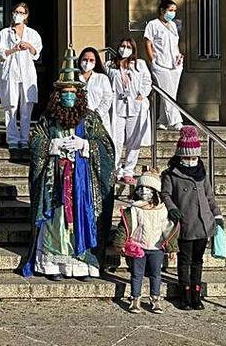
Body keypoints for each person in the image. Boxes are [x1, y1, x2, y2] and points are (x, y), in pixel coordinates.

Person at [23, 48, 115, 281]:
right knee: (57, 222)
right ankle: (53, 266)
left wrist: (85, 145)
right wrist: (52, 145)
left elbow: (106, 147)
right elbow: (35, 141)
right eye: (65, 93)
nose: (69, 97)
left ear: (79, 94)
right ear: (58, 95)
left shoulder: (91, 118)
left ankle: (83, 265)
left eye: (73, 93)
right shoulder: (48, 118)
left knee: (82, 219)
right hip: (55, 180)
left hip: (83, 182)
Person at [161, 126, 224, 311]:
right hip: (185, 224)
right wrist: (172, 209)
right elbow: (165, 194)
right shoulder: (171, 174)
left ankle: (197, 295)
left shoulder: (202, 173)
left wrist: (217, 215)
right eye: (187, 157)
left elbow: (210, 197)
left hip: (203, 224)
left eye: (194, 157)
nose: (191, 161)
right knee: (185, 260)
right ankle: (185, 295)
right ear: (180, 156)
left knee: (198, 261)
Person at [112, 169, 178, 314]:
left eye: (147, 188)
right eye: (141, 188)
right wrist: (119, 243)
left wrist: (172, 248)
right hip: (138, 247)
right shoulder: (134, 209)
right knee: (137, 274)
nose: (143, 191)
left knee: (156, 274)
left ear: (155, 191)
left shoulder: (162, 209)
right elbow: (125, 227)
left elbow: (168, 229)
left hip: (157, 248)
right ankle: (135, 298)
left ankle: (155, 299)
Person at [0, 3, 43, 150]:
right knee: (11, 107)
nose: (18, 14)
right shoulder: (4, 33)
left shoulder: (33, 34)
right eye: (16, 11)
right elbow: (0, 53)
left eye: (21, 12)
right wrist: (14, 49)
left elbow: (37, 54)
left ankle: (24, 138)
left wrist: (29, 46)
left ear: (26, 15)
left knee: (26, 107)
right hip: (11, 73)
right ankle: (12, 139)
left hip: (27, 75)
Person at [108, 38, 153, 185]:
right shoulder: (110, 65)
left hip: (135, 106)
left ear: (133, 49)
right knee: (116, 140)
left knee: (134, 140)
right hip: (117, 107)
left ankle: (129, 170)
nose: (124, 49)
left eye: (128, 47)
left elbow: (147, 81)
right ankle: (115, 169)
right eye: (122, 46)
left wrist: (142, 95)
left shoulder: (139, 64)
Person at [144, 0, 183, 130]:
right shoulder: (153, 24)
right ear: (162, 10)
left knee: (171, 92)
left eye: (174, 10)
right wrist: (152, 60)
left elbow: (175, 44)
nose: (173, 13)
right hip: (160, 64)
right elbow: (148, 43)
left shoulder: (173, 25)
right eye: (170, 10)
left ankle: (162, 120)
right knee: (167, 93)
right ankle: (176, 121)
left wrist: (179, 56)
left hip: (175, 64)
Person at [78, 47, 113, 136]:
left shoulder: (102, 78)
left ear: (95, 62)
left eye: (91, 60)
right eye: (85, 59)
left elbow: (107, 98)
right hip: (79, 120)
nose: (87, 62)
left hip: (99, 119)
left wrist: (96, 114)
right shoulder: (75, 78)